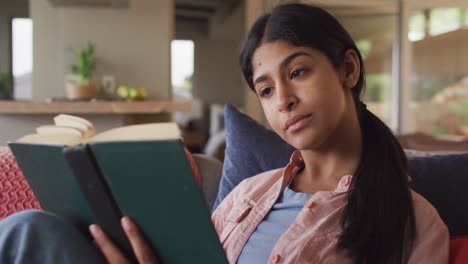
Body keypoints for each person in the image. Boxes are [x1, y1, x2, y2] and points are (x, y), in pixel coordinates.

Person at [0, 3, 448, 264]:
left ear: (348, 68)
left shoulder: (413, 220)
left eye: (299, 72)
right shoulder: (245, 196)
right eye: (266, 89)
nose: (283, 100)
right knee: (28, 228)